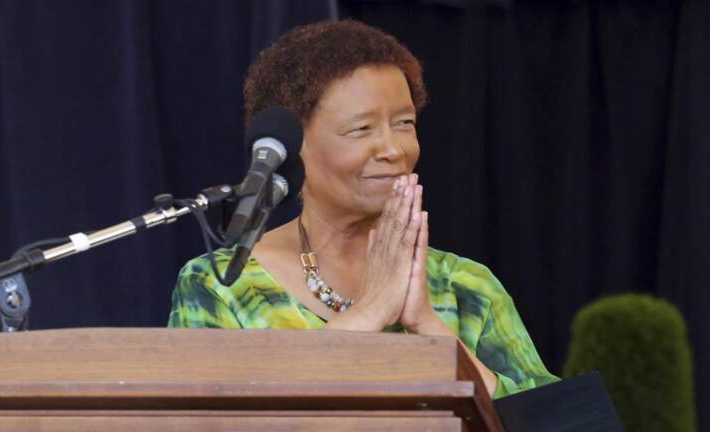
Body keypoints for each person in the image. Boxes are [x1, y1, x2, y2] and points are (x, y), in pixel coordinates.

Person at [168, 20, 559, 398]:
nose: (393, 150)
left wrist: (429, 327)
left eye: (404, 123)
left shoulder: (467, 287)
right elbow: (207, 420)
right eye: (362, 129)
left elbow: (556, 421)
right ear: (292, 148)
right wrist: (368, 314)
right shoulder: (222, 287)